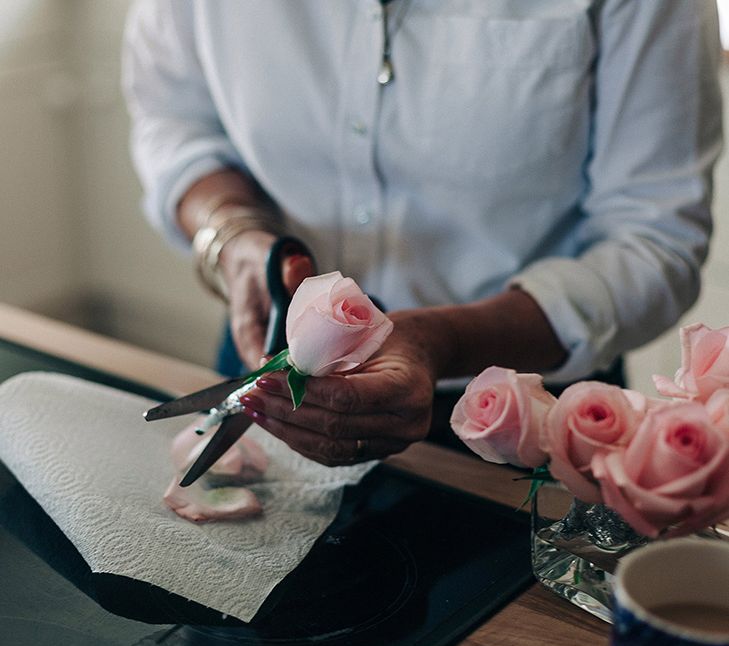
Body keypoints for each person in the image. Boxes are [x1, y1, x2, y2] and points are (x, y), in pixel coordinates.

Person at [123, 1, 723, 467]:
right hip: (269, 369)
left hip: (524, 415)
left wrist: (443, 342)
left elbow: (654, 233)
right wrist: (233, 234)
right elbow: (173, 120)